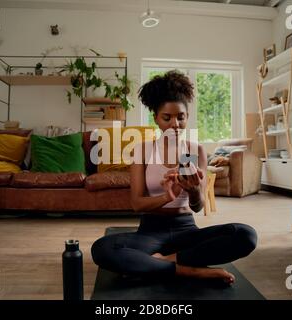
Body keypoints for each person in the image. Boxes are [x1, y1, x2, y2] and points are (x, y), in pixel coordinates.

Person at [91, 70, 257, 284]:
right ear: (156, 119)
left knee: (246, 235)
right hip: (150, 232)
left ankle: (163, 262)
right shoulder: (142, 150)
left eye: (181, 117)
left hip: (186, 230)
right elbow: (137, 204)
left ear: (187, 117)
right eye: (166, 118)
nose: (175, 124)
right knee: (102, 249)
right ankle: (191, 271)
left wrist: (193, 190)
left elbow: (198, 207)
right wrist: (167, 197)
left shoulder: (194, 151)